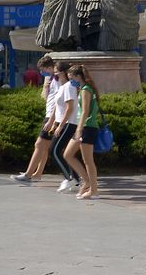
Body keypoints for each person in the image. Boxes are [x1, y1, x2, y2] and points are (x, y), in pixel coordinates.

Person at [13, 56, 60, 184]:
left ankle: (28, 174)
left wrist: (51, 120)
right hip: (50, 115)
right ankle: (37, 173)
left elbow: (59, 101)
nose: (41, 73)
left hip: (52, 116)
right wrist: (45, 87)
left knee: (39, 145)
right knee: (43, 147)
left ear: (50, 67)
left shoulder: (57, 79)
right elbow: (48, 97)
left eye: (43, 69)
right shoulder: (51, 79)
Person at [63, 64, 102, 200]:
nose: (70, 81)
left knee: (88, 160)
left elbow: (85, 111)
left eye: (71, 78)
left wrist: (79, 129)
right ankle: (87, 182)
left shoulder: (86, 89)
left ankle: (94, 190)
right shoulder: (84, 89)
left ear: (78, 76)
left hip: (87, 127)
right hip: (84, 127)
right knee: (68, 154)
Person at [47, 63, 82, 193]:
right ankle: (76, 179)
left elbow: (70, 108)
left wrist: (60, 126)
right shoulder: (62, 87)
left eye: (55, 71)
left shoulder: (69, 87)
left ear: (62, 73)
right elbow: (58, 106)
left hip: (69, 123)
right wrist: (53, 122)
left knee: (54, 151)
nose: (53, 74)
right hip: (62, 122)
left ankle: (69, 177)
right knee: (65, 153)